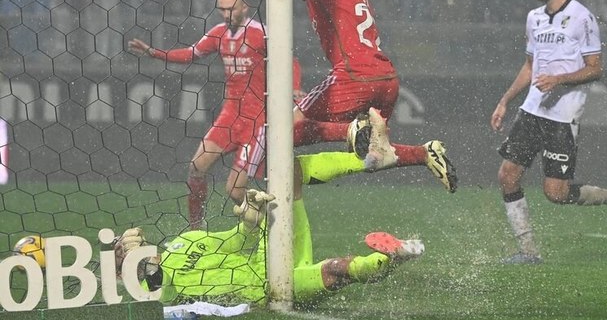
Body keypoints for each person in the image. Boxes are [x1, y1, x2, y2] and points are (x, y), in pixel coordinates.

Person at [218, 0, 458, 193]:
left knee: (281, 131)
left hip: (354, 76)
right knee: (375, 155)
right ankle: (424, 154)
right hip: (386, 79)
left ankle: (346, 133)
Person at [113, 118, 423, 305]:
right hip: (266, 287)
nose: (130, 251)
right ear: (120, 272)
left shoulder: (185, 240)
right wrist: (148, 266)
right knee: (335, 270)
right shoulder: (144, 292)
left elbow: (233, 241)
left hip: (268, 249)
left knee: (288, 171)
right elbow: (160, 296)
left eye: (126, 248)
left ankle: (371, 158)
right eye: (122, 255)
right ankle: (392, 256)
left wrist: (250, 217)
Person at [490, 0, 607, 264]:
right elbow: (530, 66)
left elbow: (595, 69)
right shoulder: (534, 18)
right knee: (507, 176)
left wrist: (560, 79)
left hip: (563, 116)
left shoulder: (583, 18)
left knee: (555, 193)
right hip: (532, 110)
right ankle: (528, 253)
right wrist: (505, 99)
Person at [127, 0, 304, 226]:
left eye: (230, 9)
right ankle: (196, 228)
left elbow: (290, 59)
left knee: (234, 190)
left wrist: (294, 88)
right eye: (222, 10)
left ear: (245, 7)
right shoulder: (219, 33)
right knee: (196, 167)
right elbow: (191, 54)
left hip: (257, 121)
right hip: (230, 117)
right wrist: (153, 53)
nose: (226, 15)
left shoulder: (261, 32)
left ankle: (274, 229)